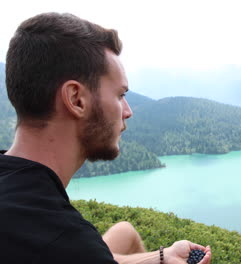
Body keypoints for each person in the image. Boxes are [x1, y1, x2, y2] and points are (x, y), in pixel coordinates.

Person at [0, 12, 211, 264]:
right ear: (76, 99)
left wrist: (162, 257)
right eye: (120, 95)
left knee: (124, 230)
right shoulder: (67, 242)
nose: (128, 111)